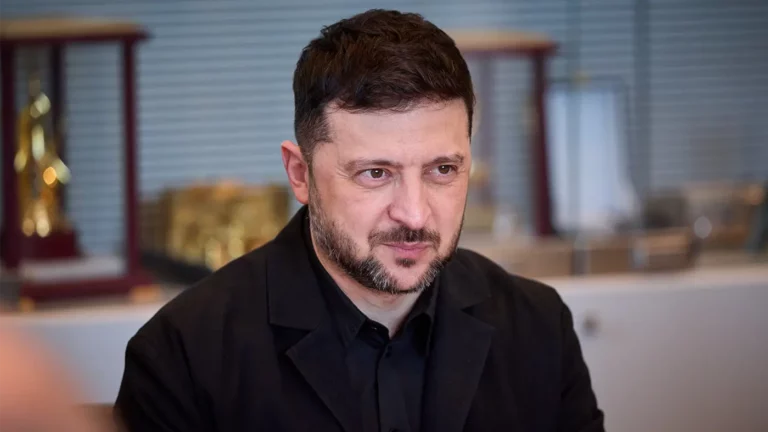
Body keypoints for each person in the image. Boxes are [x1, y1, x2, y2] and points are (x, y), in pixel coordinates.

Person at [115, 9, 604, 432]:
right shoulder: (183, 355)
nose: (414, 213)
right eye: (375, 173)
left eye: (442, 170)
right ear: (300, 174)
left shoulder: (539, 328)